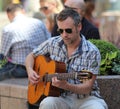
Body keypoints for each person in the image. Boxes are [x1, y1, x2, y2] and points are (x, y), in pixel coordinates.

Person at [25, 8, 108, 109]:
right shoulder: (53, 43)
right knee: (47, 103)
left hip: (87, 98)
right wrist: (30, 71)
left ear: (79, 27)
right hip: (60, 97)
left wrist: (66, 85)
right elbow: (31, 56)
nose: (64, 35)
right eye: (61, 30)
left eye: (68, 30)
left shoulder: (92, 52)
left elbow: (87, 87)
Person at [0, 3, 50, 81]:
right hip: (41, 66)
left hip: (20, 69)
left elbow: (4, 55)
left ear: (8, 15)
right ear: (23, 11)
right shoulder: (39, 23)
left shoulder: (8, 29)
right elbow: (49, 40)